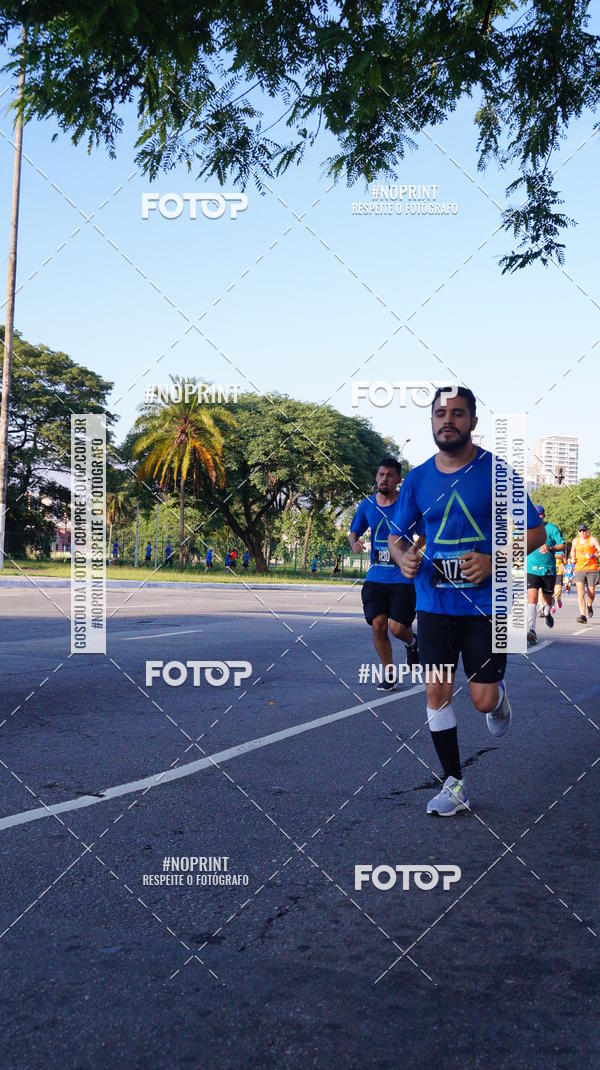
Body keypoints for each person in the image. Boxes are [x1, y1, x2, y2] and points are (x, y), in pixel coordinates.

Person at [388, 386, 545, 816]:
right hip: (434, 603)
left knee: (480, 699)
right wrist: (403, 558)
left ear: (473, 422)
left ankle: (499, 699)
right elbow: (396, 537)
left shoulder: (497, 471)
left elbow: (535, 533)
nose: (448, 420)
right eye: (440, 413)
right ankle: (454, 785)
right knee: (437, 688)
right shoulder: (418, 478)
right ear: (432, 422)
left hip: (488, 606)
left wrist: (496, 559)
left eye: (458, 413)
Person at [349, 456, 420, 693]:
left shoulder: (408, 505)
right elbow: (354, 532)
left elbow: (426, 533)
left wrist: (413, 549)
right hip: (376, 577)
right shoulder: (367, 505)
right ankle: (389, 673)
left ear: (398, 479)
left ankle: (412, 643)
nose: (384, 478)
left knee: (397, 628)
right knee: (378, 625)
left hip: (403, 576)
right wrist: (354, 543)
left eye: (389, 475)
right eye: (381, 474)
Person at [526, 505, 564, 644]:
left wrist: (551, 548)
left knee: (548, 598)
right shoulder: (527, 529)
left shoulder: (552, 528)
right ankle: (531, 629)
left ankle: (548, 613)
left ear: (544, 516)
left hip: (548, 570)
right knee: (532, 598)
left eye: (540, 514)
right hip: (531, 569)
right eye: (535, 515)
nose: (538, 517)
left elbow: (562, 545)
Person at [570, 523, 600, 623]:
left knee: (591, 594)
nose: (582, 533)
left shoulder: (592, 540)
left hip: (592, 569)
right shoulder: (575, 541)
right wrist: (572, 558)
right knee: (580, 593)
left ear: (587, 531)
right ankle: (583, 615)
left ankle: (589, 605)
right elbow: (572, 551)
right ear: (578, 532)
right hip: (579, 569)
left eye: (584, 530)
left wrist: (593, 556)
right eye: (580, 531)